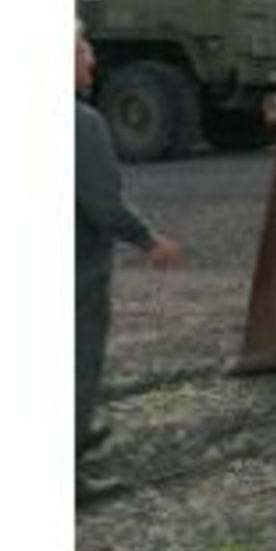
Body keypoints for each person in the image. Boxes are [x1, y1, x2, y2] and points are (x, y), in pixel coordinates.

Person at [75, 25, 181, 504]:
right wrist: (148, 239)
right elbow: (103, 202)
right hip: (77, 266)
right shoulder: (82, 124)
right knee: (78, 360)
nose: (91, 63)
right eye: (82, 53)